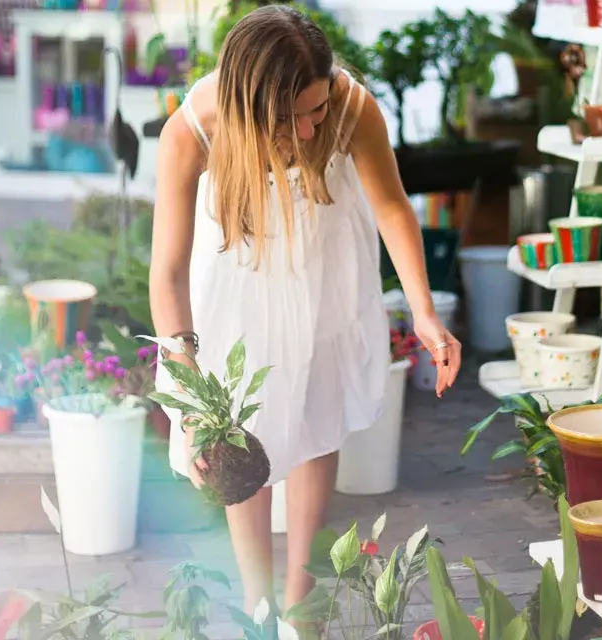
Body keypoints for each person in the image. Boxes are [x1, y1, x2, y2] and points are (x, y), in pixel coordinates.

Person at [149, 4, 462, 620]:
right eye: (293, 120)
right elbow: (168, 268)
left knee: (317, 418)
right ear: (249, 109)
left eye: (318, 110)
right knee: (240, 429)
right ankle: (258, 604)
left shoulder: (350, 107)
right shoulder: (191, 132)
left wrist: (423, 311)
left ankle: (301, 604)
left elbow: (394, 208)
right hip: (235, 282)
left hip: (322, 272)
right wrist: (189, 389)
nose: (313, 130)